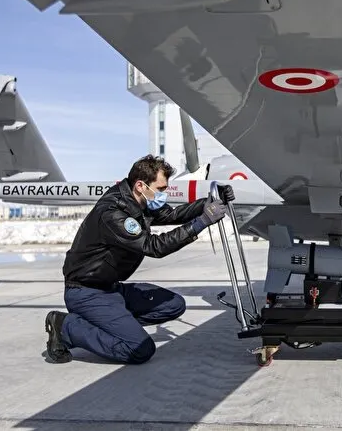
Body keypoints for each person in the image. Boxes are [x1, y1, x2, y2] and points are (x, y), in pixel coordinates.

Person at [44, 155, 235, 364]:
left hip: (111, 288)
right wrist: (202, 222)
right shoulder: (114, 212)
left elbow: (171, 215)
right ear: (141, 185)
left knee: (174, 305)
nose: (164, 194)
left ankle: (115, 325)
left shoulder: (140, 201)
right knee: (139, 349)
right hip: (86, 292)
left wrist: (207, 204)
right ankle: (66, 327)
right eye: (161, 189)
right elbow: (153, 246)